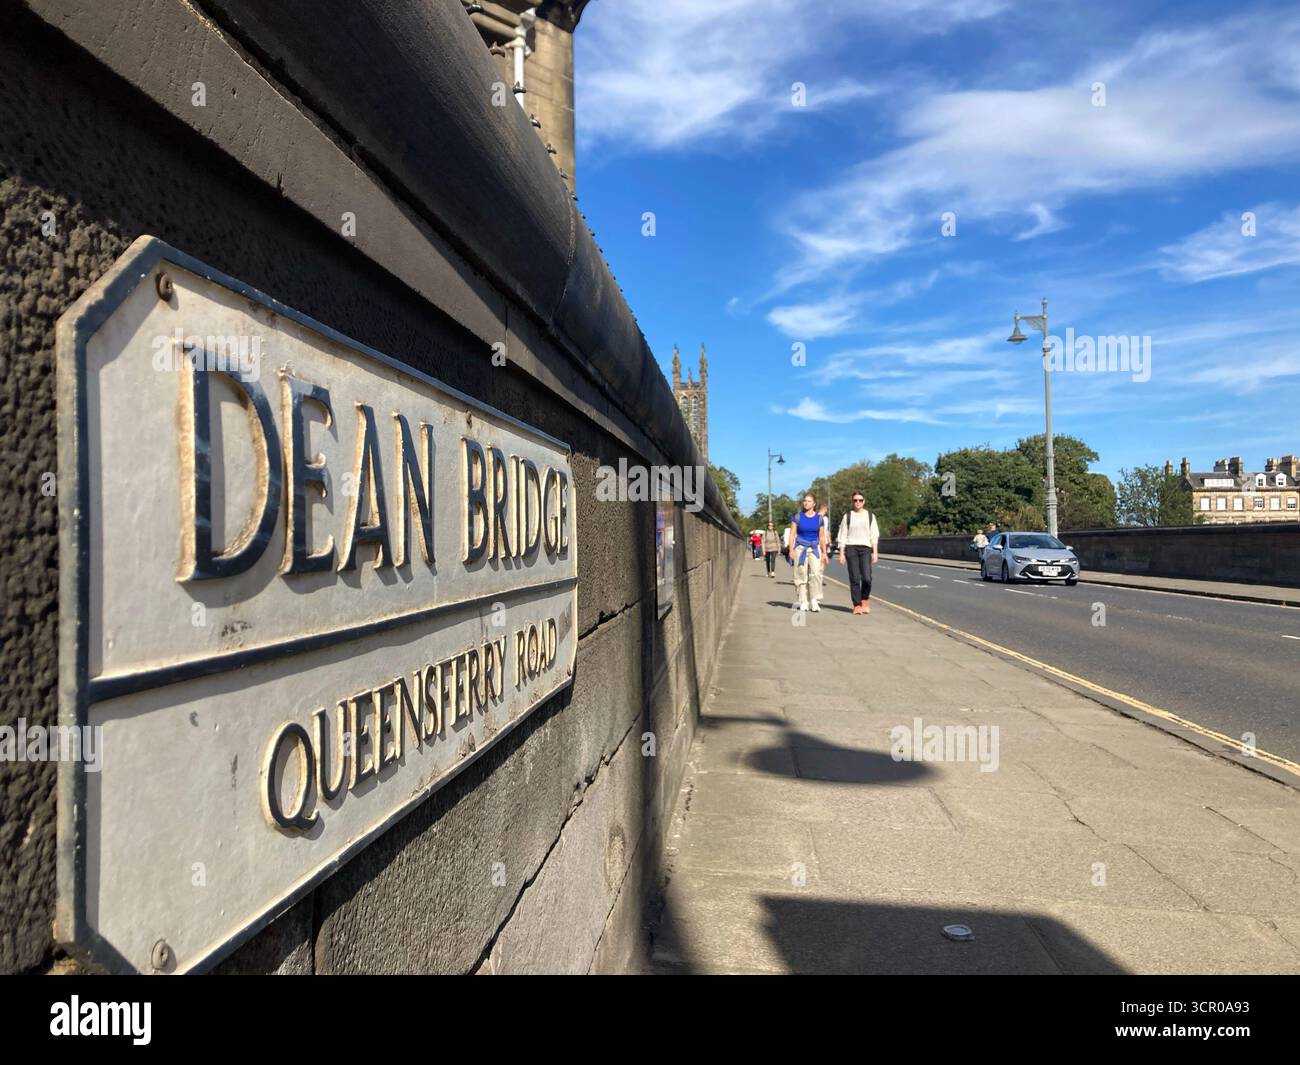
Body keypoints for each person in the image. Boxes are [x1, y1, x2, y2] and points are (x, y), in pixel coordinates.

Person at [837, 491, 879, 615]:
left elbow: (874, 535)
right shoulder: (847, 516)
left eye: (860, 500)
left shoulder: (870, 516)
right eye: (855, 500)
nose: (858, 502)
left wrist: (875, 552)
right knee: (854, 578)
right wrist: (841, 553)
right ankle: (857, 604)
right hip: (851, 548)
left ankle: (864, 599)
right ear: (852, 502)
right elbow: (842, 535)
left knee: (867, 578)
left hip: (866, 548)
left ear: (864, 501)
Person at [787, 493, 823, 612]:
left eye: (809, 501)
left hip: (814, 548)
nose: (806, 503)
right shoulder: (797, 517)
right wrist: (791, 550)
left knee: (816, 574)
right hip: (800, 548)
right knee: (801, 574)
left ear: (814, 504)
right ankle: (803, 601)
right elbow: (792, 534)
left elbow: (821, 537)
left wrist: (824, 553)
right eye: (804, 501)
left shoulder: (819, 518)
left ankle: (814, 600)